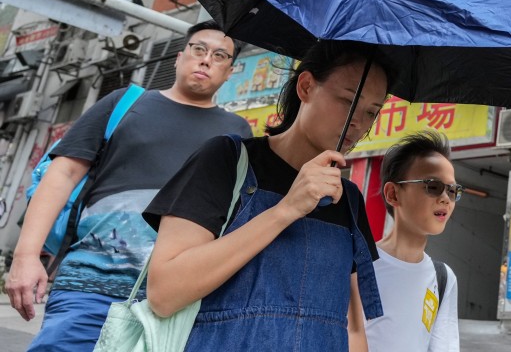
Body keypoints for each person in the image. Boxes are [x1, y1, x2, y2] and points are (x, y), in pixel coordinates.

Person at [4, 20, 252, 352]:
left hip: (176, 303)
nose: (206, 60)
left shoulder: (237, 133)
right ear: (178, 57)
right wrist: (25, 256)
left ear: (230, 72)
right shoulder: (126, 103)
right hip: (90, 288)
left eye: (220, 55)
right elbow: (61, 175)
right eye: (199, 49)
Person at [142, 40, 387, 351]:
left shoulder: (348, 200)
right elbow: (164, 292)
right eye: (348, 101)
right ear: (307, 87)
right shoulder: (228, 159)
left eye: (372, 112)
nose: (358, 122)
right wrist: (286, 210)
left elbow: (352, 328)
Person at [366, 130, 461, 352]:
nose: (445, 198)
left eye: (453, 190)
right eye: (433, 186)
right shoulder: (357, 265)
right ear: (393, 194)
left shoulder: (443, 278)